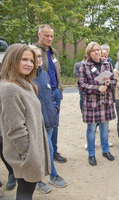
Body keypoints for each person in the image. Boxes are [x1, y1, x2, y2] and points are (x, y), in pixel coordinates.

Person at [0, 44, 50, 200]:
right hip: (25, 155)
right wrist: (29, 154)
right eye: (24, 60)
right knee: (25, 192)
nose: (30, 64)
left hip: (31, 152)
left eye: (32, 60)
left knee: (27, 190)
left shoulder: (24, 83)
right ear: (12, 60)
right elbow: (15, 127)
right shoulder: (9, 88)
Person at [31, 46, 67, 193]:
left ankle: (45, 177)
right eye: (34, 57)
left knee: (48, 150)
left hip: (50, 119)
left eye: (39, 56)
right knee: (45, 150)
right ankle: (44, 178)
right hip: (37, 122)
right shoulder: (26, 78)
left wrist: (55, 109)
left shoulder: (45, 74)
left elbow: (50, 95)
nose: (38, 59)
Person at [78, 42, 116, 166]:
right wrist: (96, 88)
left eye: (98, 50)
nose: (97, 52)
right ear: (89, 53)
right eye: (94, 50)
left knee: (105, 128)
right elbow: (81, 84)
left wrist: (109, 83)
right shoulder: (84, 66)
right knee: (91, 129)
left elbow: (114, 81)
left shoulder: (108, 64)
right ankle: (91, 154)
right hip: (92, 103)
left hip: (106, 102)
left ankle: (105, 150)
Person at [34, 24, 67, 163]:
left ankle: (53, 151)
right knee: (43, 124)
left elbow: (56, 71)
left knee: (54, 123)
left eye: (52, 36)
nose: (49, 38)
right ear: (39, 35)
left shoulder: (54, 52)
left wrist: (59, 89)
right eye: (47, 35)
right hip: (42, 94)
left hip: (56, 91)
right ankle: (44, 153)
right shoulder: (34, 51)